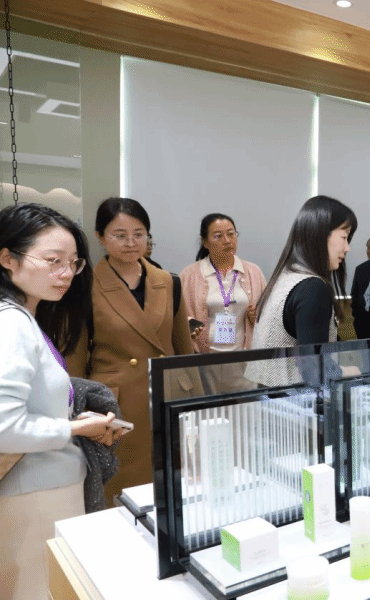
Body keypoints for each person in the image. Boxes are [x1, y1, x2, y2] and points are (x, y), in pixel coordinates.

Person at [0, 203, 119, 600]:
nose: (66, 273)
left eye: (73, 263)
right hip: (34, 491)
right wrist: (75, 428)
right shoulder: (11, 323)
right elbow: (4, 427)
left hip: (42, 485)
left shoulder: (25, 318)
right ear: (7, 258)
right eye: (53, 261)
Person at [67, 197, 193, 505]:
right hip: (116, 406)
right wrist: (76, 413)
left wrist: (192, 395)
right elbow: (75, 358)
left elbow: (183, 349)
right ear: (100, 237)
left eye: (139, 234)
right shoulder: (85, 285)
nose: (131, 243)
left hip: (167, 396)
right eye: (119, 235)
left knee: (172, 485)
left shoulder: (168, 281)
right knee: (124, 491)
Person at [247, 196, 357, 386]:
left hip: (267, 396)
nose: (347, 248)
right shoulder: (313, 287)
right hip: (293, 399)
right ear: (320, 235)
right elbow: (313, 369)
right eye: (344, 237)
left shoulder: (285, 277)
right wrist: (346, 372)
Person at [180, 213, 266, 353]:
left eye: (231, 234)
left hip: (245, 357)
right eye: (218, 236)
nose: (227, 241)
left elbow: (266, 317)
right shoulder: (188, 275)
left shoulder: (254, 272)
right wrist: (188, 325)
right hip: (203, 358)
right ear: (205, 242)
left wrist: (256, 317)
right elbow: (179, 319)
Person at [350, 236, 370, 339]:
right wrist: (357, 314)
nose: (369, 251)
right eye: (368, 248)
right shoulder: (360, 269)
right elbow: (354, 293)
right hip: (362, 322)